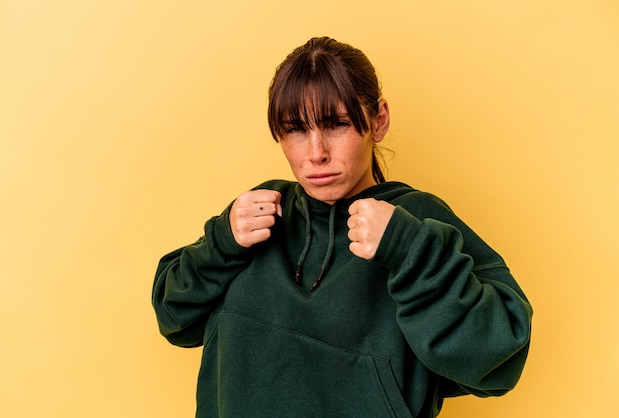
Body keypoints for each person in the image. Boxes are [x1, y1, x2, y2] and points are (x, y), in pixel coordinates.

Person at [152, 36, 533, 418]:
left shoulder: (416, 220)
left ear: (378, 120)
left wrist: (410, 251)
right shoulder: (263, 210)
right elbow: (174, 318)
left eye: (336, 124)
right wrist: (222, 242)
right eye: (296, 129)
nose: (316, 153)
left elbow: (498, 362)